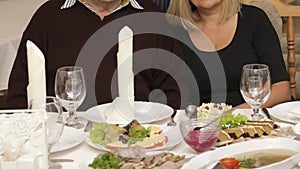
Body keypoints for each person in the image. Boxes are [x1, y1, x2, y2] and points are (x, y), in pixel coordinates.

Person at [6, 0, 188, 110]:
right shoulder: (47, 17)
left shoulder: (152, 17)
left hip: (135, 140)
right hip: (64, 140)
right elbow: (18, 93)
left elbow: (176, 91)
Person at [166, 0, 291, 108]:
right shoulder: (175, 30)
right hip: (198, 125)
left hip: (250, 119)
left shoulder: (254, 19)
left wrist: (230, 116)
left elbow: (282, 91)